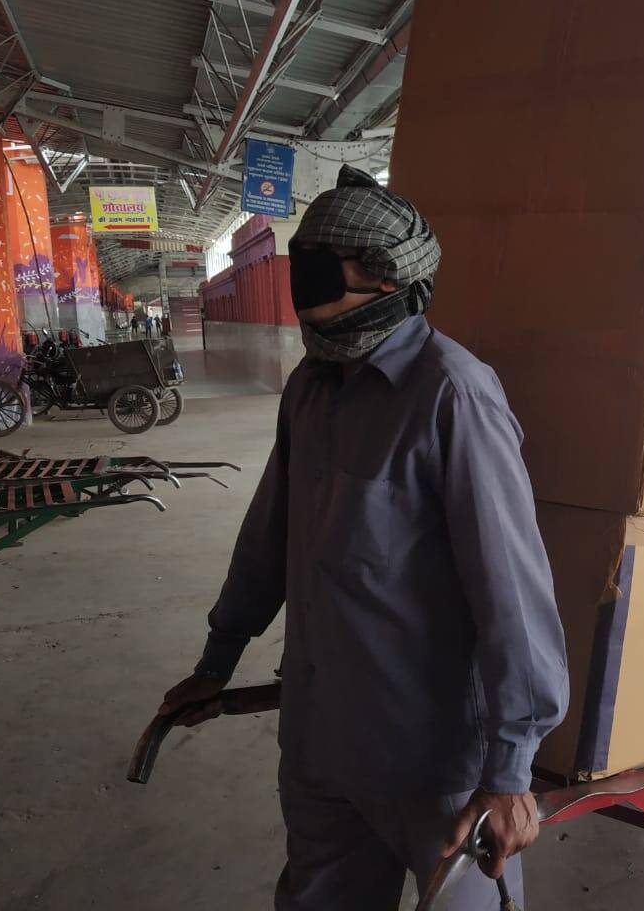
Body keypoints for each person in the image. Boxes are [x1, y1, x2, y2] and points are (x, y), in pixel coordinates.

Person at [157, 166, 568, 909]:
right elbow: (269, 539)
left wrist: (510, 772)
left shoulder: (453, 394)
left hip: (437, 767)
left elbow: (512, 595)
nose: (303, 296)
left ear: (387, 278)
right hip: (321, 747)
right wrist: (219, 658)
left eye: (319, 273)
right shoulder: (311, 389)